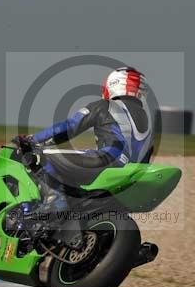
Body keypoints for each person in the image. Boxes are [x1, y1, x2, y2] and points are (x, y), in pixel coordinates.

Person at [13, 66, 154, 220]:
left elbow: (69, 127)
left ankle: (55, 202)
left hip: (107, 161)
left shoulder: (104, 106)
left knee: (44, 156)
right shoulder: (149, 124)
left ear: (112, 85)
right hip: (130, 176)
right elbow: (147, 155)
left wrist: (32, 139)